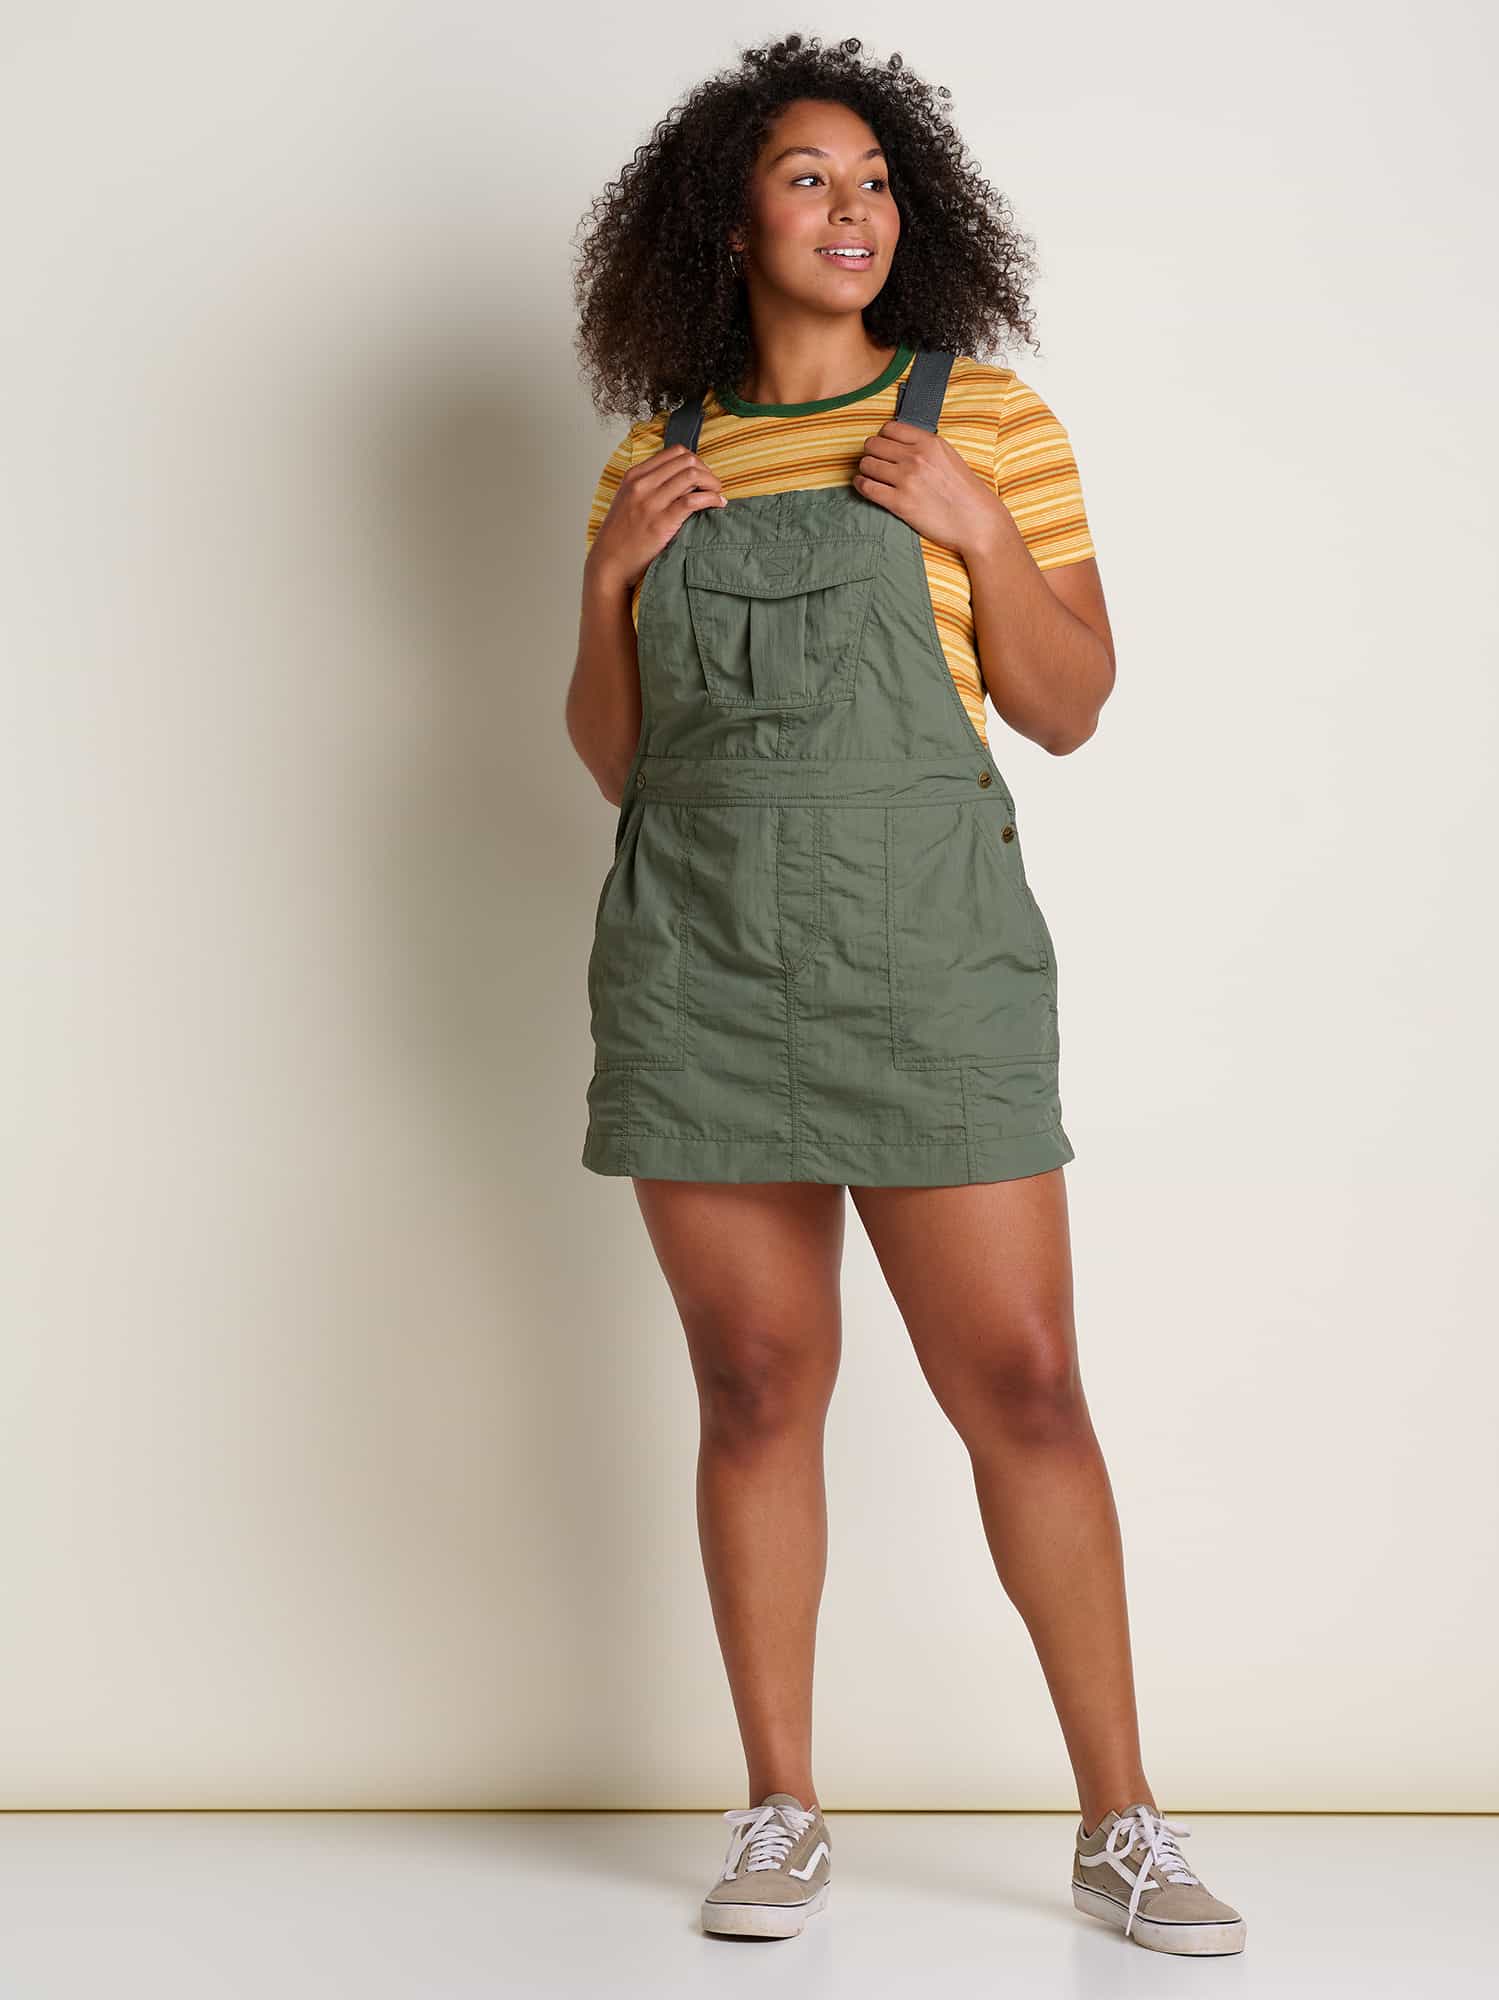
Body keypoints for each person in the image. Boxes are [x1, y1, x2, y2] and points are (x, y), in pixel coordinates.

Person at [565, 30, 1246, 1958]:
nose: (851, 208)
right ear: (727, 222)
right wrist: (608, 583)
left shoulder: (990, 422)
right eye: (808, 177)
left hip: (929, 962)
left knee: (1024, 1385)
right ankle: (780, 1806)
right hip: (702, 958)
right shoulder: (655, 458)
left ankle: (1122, 1824)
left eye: (874, 181)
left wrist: (976, 527)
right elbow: (617, 759)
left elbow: (1068, 705)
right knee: (754, 1383)